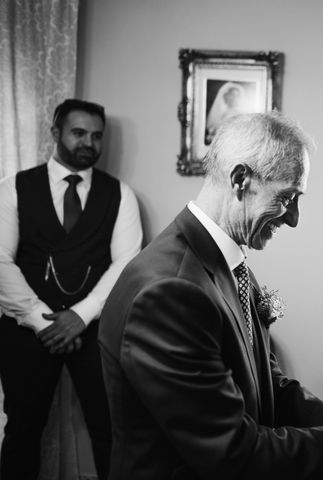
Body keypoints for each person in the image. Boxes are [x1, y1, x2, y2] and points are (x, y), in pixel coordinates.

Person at [99, 111, 323, 480]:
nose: (294, 218)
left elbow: (271, 386)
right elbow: (231, 452)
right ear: (240, 180)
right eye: (287, 196)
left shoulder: (228, 265)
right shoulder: (170, 292)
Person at [0, 99, 143, 480]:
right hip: (26, 330)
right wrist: (40, 320)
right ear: (56, 133)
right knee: (22, 431)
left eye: (97, 136)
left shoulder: (121, 195)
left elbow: (127, 264)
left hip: (95, 329)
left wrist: (79, 316)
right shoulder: (14, 187)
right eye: (79, 133)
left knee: (110, 429)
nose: (89, 143)